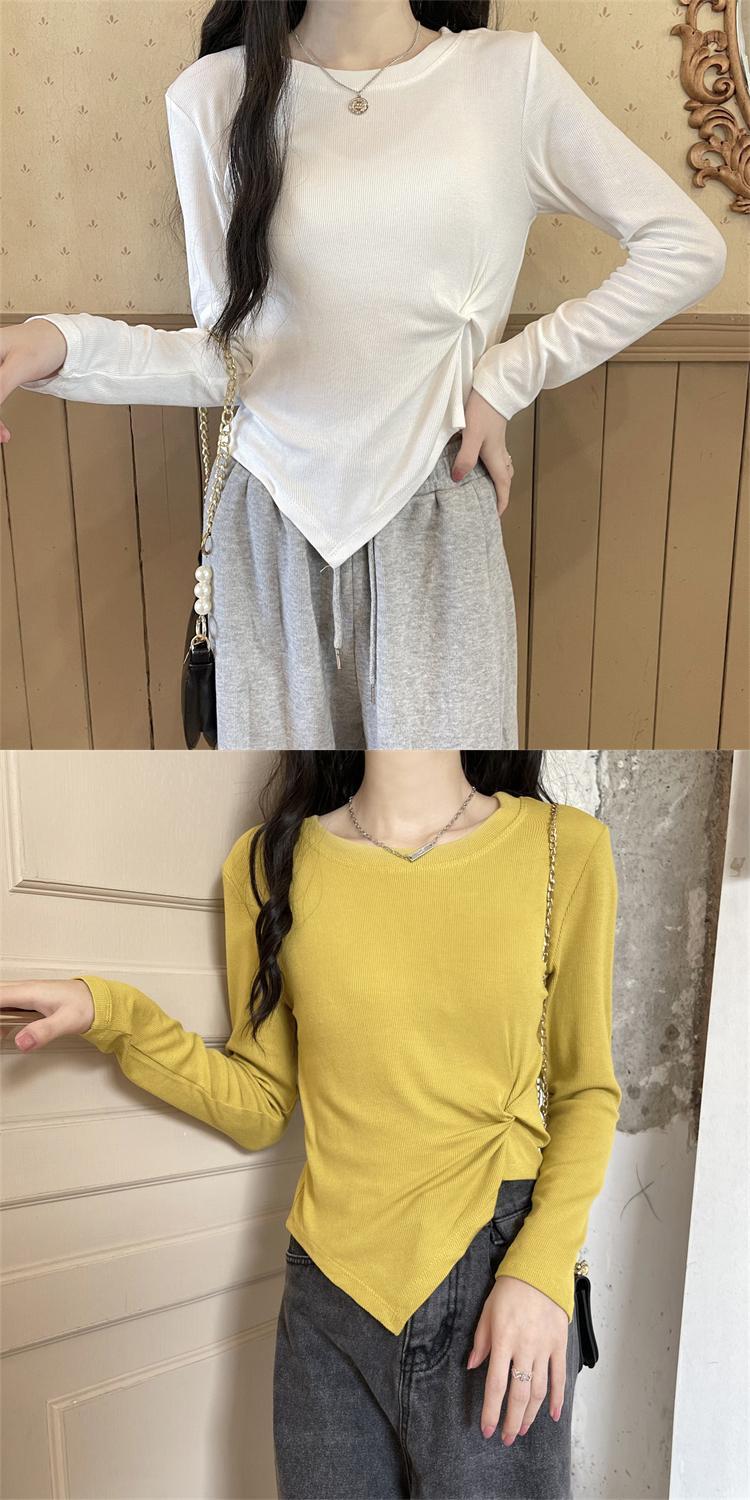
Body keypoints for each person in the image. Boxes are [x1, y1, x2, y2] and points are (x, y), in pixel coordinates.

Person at [0, 3, 727, 751]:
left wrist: (508, 375)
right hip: (270, 528)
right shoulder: (213, 96)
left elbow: (685, 248)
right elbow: (232, 359)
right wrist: (61, 343)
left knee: (447, 800)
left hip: (439, 517)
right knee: (279, 800)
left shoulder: (508, 78)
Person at [4, 748, 622, 1500]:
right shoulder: (268, 864)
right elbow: (262, 1100)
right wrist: (111, 1014)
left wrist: (541, 1270)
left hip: (496, 1281)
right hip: (327, 1295)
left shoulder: (563, 848)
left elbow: (585, 1090)